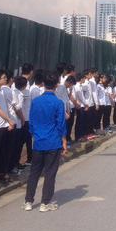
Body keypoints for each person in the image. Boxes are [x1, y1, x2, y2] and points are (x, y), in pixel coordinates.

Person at [24, 71, 66, 212]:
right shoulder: (58, 103)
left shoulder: (35, 101)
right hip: (53, 141)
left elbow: (32, 122)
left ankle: (28, 201)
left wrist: (32, 136)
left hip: (38, 141)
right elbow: (61, 124)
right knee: (50, 172)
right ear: (56, 85)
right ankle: (45, 203)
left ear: (43, 83)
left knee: (34, 172)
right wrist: (64, 141)